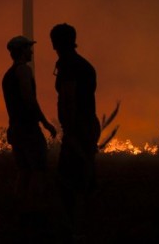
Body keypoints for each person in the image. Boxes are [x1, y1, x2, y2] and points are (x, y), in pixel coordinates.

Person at [1, 35, 56, 234]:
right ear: (22, 50)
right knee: (38, 170)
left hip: (16, 128)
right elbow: (29, 99)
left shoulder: (7, 75)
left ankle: (19, 213)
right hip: (28, 129)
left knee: (23, 171)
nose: (31, 51)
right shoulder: (23, 70)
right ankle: (34, 214)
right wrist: (45, 122)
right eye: (28, 48)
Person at [50, 23, 100, 238]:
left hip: (78, 128)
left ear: (56, 42)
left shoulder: (69, 65)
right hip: (87, 125)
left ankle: (76, 229)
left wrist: (69, 132)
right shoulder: (81, 64)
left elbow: (69, 98)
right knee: (81, 176)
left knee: (69, 181)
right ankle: (83, 226)